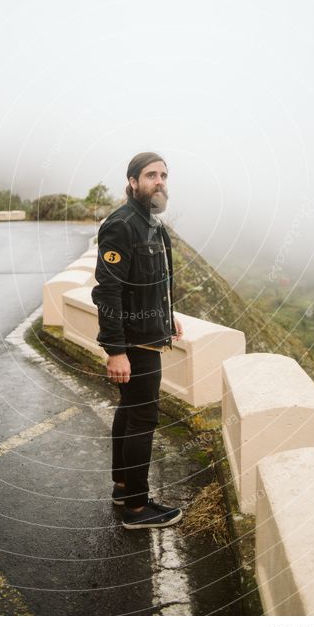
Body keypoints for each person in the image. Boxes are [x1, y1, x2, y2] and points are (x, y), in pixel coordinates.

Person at [91, 151, 184, 530]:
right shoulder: (122, 225)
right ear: (132, 182)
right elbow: (108, 291)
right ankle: (136, 507)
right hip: (135, 343)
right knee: (143, 418)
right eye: (150, 175)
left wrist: (168, 316)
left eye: (163, 175)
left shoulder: (153, 224)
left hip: (150, 333)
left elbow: (153, 280)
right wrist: (116, 350)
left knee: (130, 412)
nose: (159, 181)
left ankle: (122, 486)